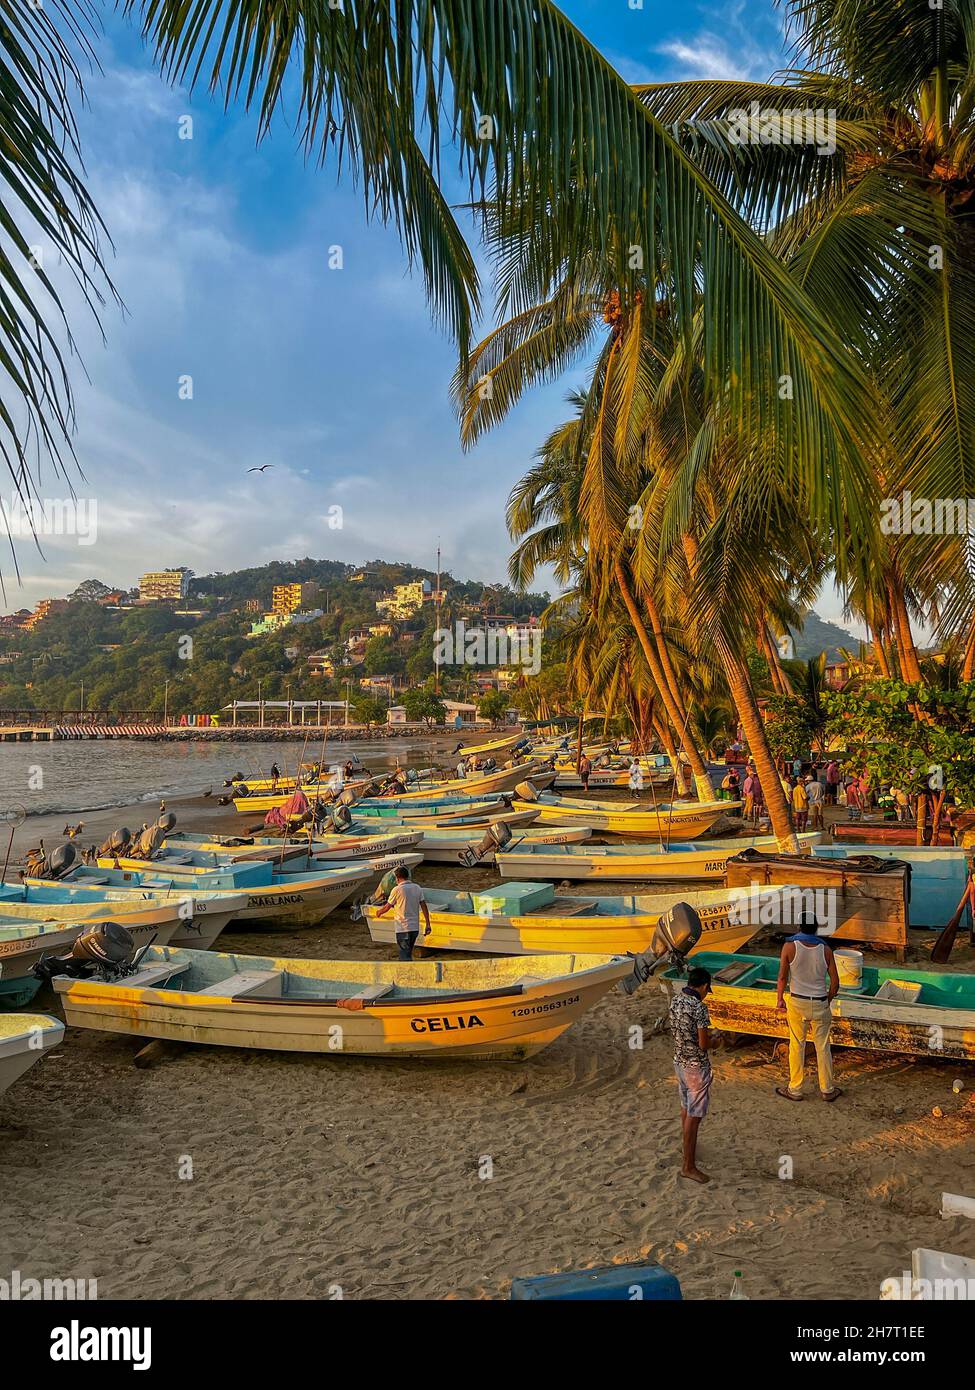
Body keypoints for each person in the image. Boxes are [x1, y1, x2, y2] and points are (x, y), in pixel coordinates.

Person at [775, 915, 842, 1103]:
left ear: (799, 927)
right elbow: (835, 983)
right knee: (822, 1047)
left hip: (797, 1002)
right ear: (816, 929)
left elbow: (782, 977)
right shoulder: (826, 949)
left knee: (796, 1045)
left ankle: (795, 1089)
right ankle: (827, 1089)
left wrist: (780, 999)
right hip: (820, 1002)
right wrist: (826, 1000)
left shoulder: (789, 947)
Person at [669, 966, 715, 1184]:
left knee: (686, 1108)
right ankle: (688, 1165)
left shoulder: (676, 1001)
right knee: (694, 1116)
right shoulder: (699, 1007)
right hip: (696, 1066)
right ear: (704, 986)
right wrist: (719, 1040)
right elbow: (704, 1043)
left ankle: (687, 1152)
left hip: (679, 1061)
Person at [373, 865, 430, 960]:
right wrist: (428, 923)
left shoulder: (396, 890)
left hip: (403, 928)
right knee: (408, 953)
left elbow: (387, 906)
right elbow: (424, 906)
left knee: (404, 955)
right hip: (414, 928)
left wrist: (379, 912)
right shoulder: (417, 888)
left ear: (397, 878)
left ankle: (405, 973)